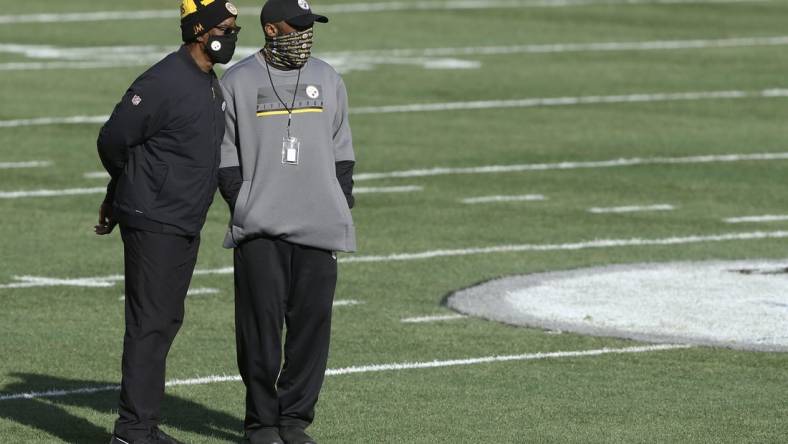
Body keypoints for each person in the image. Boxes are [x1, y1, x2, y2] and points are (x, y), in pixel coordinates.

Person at [95, 1, 239, 443]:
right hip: (155, 219)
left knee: (162, 322)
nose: (232, 35)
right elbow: (114, 139)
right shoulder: (163, 80)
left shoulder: (209, 82)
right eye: (226, 27)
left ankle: (143, 425)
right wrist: (125, 191)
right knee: (150, 323)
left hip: (181, 220)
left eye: (236, 27)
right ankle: (133, 430)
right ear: (200, 30)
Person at [217, 0, 356, 442]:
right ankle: (261, 422)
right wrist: (247, 205)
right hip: (260, 229)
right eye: (296, 26)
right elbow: (225, 159)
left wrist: (336, 200)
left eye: (308, 26)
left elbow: (343, 150)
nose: (305, 34)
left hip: (319, 225)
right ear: (271, 30)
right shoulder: (236, 81)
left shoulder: (328, 77)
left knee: (311, 330)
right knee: (259, 332)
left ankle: (294, 421)